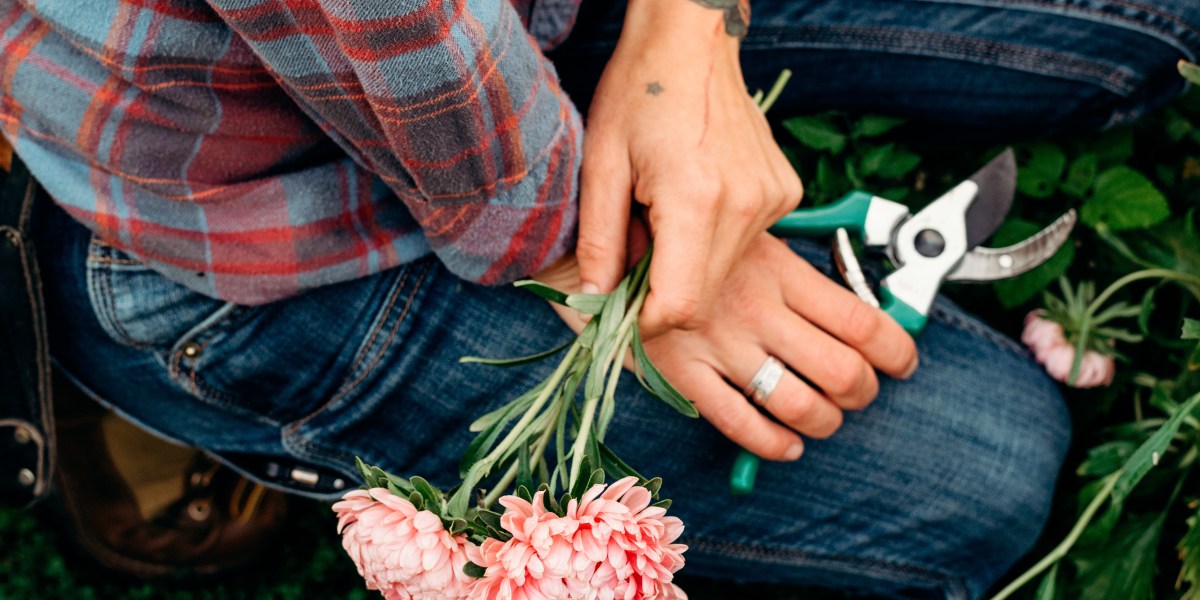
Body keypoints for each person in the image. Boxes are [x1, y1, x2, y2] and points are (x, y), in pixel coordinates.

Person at [3, 0, 1197, 597]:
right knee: (992, 470)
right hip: (267, 179)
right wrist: (610, 247)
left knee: (1145, 21)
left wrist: (688, 31)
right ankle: (139, 351)